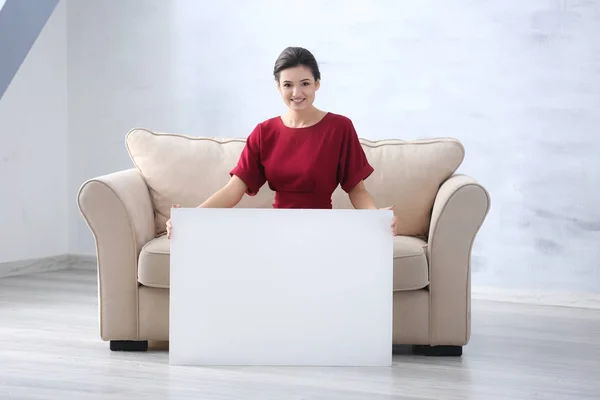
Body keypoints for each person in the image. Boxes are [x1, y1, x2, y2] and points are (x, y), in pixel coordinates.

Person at [166, 46, 396, 239]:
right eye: (288, 85)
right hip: (276, 231)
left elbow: (357, 189)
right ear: (278, 87)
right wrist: (189, 219)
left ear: (317, 83)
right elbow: (233, 190)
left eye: (305, 83)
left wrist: (377, 218)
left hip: (323, 231)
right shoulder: (264, 132)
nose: (297, 92)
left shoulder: (339, 127)